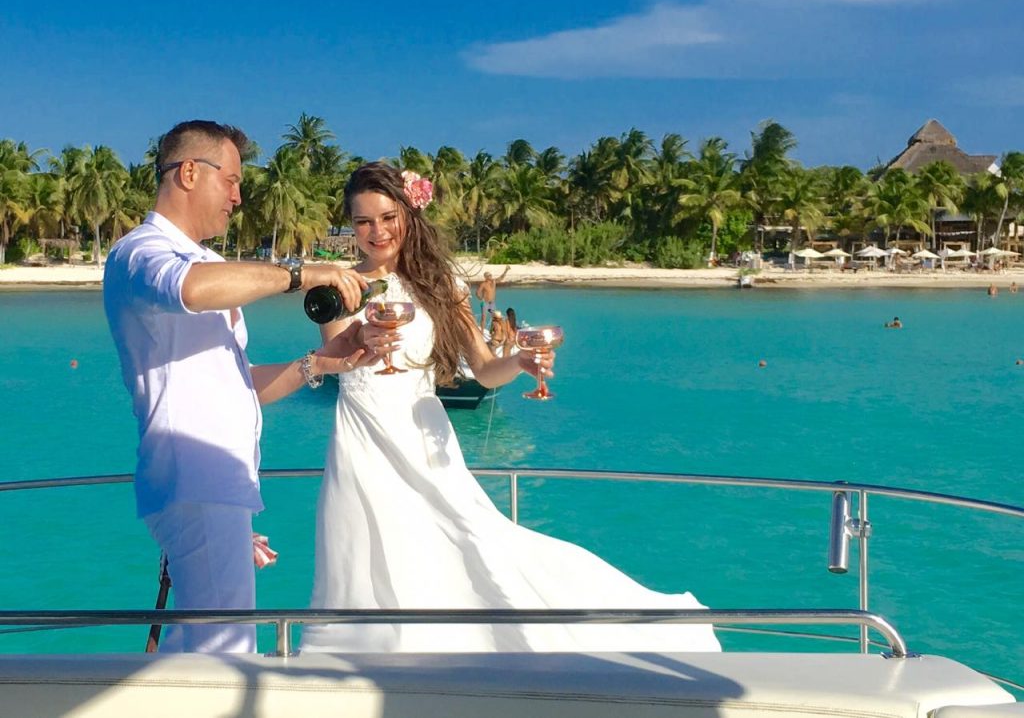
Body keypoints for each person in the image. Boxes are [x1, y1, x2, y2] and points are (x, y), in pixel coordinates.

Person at [302, 162, 719, 653]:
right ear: (350, 226)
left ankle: (452, 658)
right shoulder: (334, 287)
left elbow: (482, 369)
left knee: (465, 539)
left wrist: (519, 361)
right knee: (359, 550)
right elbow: (332, 363)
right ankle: (365, 662)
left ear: (409, 216)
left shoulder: (443, 288)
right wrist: (356, 342)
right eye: (363, 221)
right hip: (361, 439)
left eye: (388, 217)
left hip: (422, 436)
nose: (378, 232)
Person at [103, 120, 388, 653]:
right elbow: (190, 289)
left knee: (198, 651)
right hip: (196, 476)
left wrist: (321, 362)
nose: (238, 196)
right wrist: (301, 274)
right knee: (225, 657)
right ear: (189, 172)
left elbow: (236, 385)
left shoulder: (207, 263)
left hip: (217, 484)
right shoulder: (141, 253)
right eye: (231, 180)